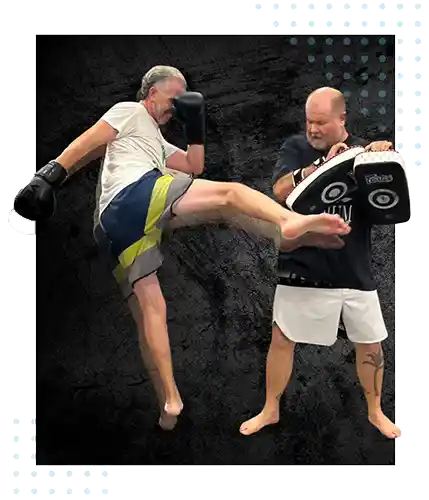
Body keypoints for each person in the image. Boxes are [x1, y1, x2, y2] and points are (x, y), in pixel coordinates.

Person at [14, 70, 350, 431]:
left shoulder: (155, 142)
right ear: (151, 92)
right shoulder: (129, 111)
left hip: (113, 228)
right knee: (230, 194)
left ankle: (169, 401)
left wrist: (195, 125)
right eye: (174, 99)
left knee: (153, 309)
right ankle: (288, 223)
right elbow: (89, 140)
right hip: (133, 195)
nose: (176, 108)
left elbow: (193, 166)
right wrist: (49, 175)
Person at [239, 87, 403, 439]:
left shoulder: (363, 151)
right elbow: (280, 190)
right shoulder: (295, 148)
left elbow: (394, 201)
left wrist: (382, 158)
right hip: (303, 262)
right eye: (308, 121)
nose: (312, 129)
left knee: (371, 343)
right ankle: (270, 409)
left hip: (352, 264)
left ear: (342, 119)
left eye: (320, 123)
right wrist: (320, 164)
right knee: (282, 337)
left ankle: (375, 412)